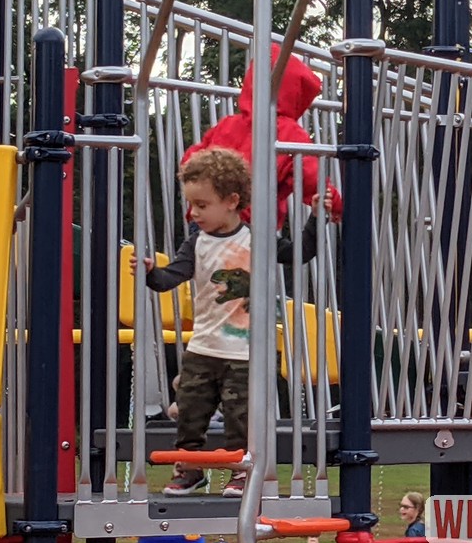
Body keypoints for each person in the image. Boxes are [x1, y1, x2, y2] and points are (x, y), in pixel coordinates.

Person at [131, 147, 336, 498]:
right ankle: (189, 468)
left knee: (240, 416)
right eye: (191, 205)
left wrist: (316, 218)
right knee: (190, 410)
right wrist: (150, 273)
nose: (194, 213)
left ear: (231, 201)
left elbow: (299, 253)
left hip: (246, 351)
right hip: (203, 347)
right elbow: (170, 278)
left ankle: (241, 472)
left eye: (202, 205)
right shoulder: (196, 244)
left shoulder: (256, 240)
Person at [182, 43, 341, 229]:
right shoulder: (291, 134)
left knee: (199, 248)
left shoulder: (228, 124)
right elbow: (311, 178)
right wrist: (338, 205)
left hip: (207, 217)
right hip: (250, 226)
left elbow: (190, 160)